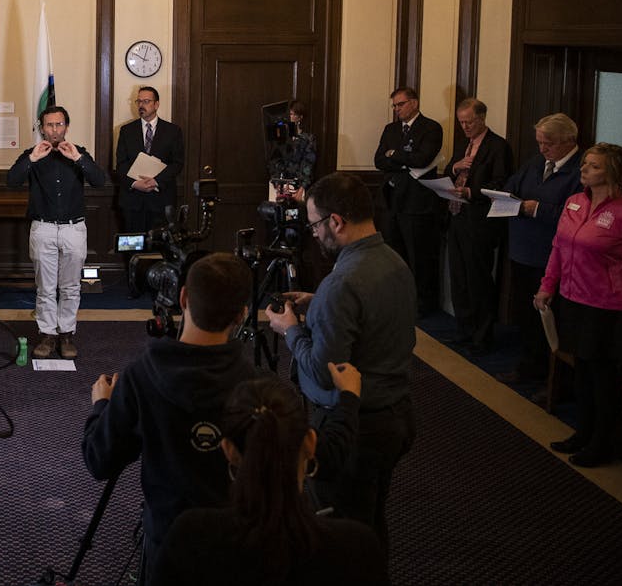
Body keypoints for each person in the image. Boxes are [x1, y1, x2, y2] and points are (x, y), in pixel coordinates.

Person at [81, 253, 256, 581]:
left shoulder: (141, 377)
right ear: (243, 314)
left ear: (183, 298)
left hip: (166, 545)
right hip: (239, 549)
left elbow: (99, 459)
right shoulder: (260, 387)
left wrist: (102, 405)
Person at [267, 171, 416, 551]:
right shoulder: (395, 262)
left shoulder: (342, 283)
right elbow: (371, 315)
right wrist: (319, 303)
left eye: (316, 224)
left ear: (337, 222)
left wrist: (290, 330)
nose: (314, 233)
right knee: (369, 524)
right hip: (396, 416)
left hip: (353, 428)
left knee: (338, 537)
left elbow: (323, 370)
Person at [152, 374, 388, 586]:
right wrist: (348, 399)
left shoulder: (189, 537)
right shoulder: (357, 548)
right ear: (310, 443)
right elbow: (336, 448)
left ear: (228, 450)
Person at [534, 142, 622, 468]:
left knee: (603, 377)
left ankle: (604, 442)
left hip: (608, 308)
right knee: (580, 371)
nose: (584, 170)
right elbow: (559, 249)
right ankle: (583, 431)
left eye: (593, 166)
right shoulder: (574, 202)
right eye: (584, 164)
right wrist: (547, 286)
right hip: (572, 300)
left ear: (613, 173)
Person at [6, 106, 106, 360]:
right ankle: (48, 335)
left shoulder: (79, 153)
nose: (54, 130)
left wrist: (79, 159)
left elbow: (99, 180)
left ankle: (66, 335)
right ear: (42, 128)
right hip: (43, 228)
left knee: (71, 287)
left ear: (67, 127)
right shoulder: (33, 154)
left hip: (74, 228)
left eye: (59, 124)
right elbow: (12, 180)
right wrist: (31, 160)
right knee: (45, 287)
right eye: (49, 125)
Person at [499, 113, 581, 383]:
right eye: (540, 142)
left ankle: (553, 379)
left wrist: (540, 209)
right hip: (522, 250)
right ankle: (528, 366)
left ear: (569, 141)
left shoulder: (582, 170)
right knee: (526, 316)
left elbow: (577, 217)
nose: (543, 149)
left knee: (552, 322)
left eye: (549, 143)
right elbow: (511, 188)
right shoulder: (536, 162)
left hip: (552, 257)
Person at [442, 98, 513, 354]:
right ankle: (464, 331)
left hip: (479, 221)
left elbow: (501, 183)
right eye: (461, 122)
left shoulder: (498, 146)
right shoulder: (463, 144)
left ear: (482, 118)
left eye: (469, 122)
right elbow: (451, 171)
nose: (465, 127)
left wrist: (472, 192)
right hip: (456, 217)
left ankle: (482, 338)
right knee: (459, 279)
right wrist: (454, 166)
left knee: (478, 281)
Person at [373, 85, 444, 315]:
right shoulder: (391, 129)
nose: (397, 109)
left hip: (418, 203)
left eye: (400, 104)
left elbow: (423, 159)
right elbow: (378, 160)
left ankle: (423, 305)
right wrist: (404, 160)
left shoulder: (431, 128)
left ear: (414, 103)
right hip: (392, 199)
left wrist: (394, 155)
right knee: (395, 254)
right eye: (394, 105)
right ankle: (399, 300)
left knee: (419, 256)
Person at [114, 86, 185, 233]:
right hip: (132, 201)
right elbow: (121, 164)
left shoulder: (173, 131)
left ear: (156, 104)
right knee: (132, 247)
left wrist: (156, 180)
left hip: (161, 199)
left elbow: (177, 163)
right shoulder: (126, 131)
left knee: (160, 248)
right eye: (139, 101)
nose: (141, 105)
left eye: (146, 101)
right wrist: (135, 183)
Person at [268, 99, 317, 198]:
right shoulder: (282, 138)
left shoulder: (308, 139)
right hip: (279, 183)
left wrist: (302, 187)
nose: (291, 117)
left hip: (297, 184)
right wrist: (277, 183)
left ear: (300, 117)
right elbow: (274, 160)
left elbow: (308, 164)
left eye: (294, 114)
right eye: (290, 114)